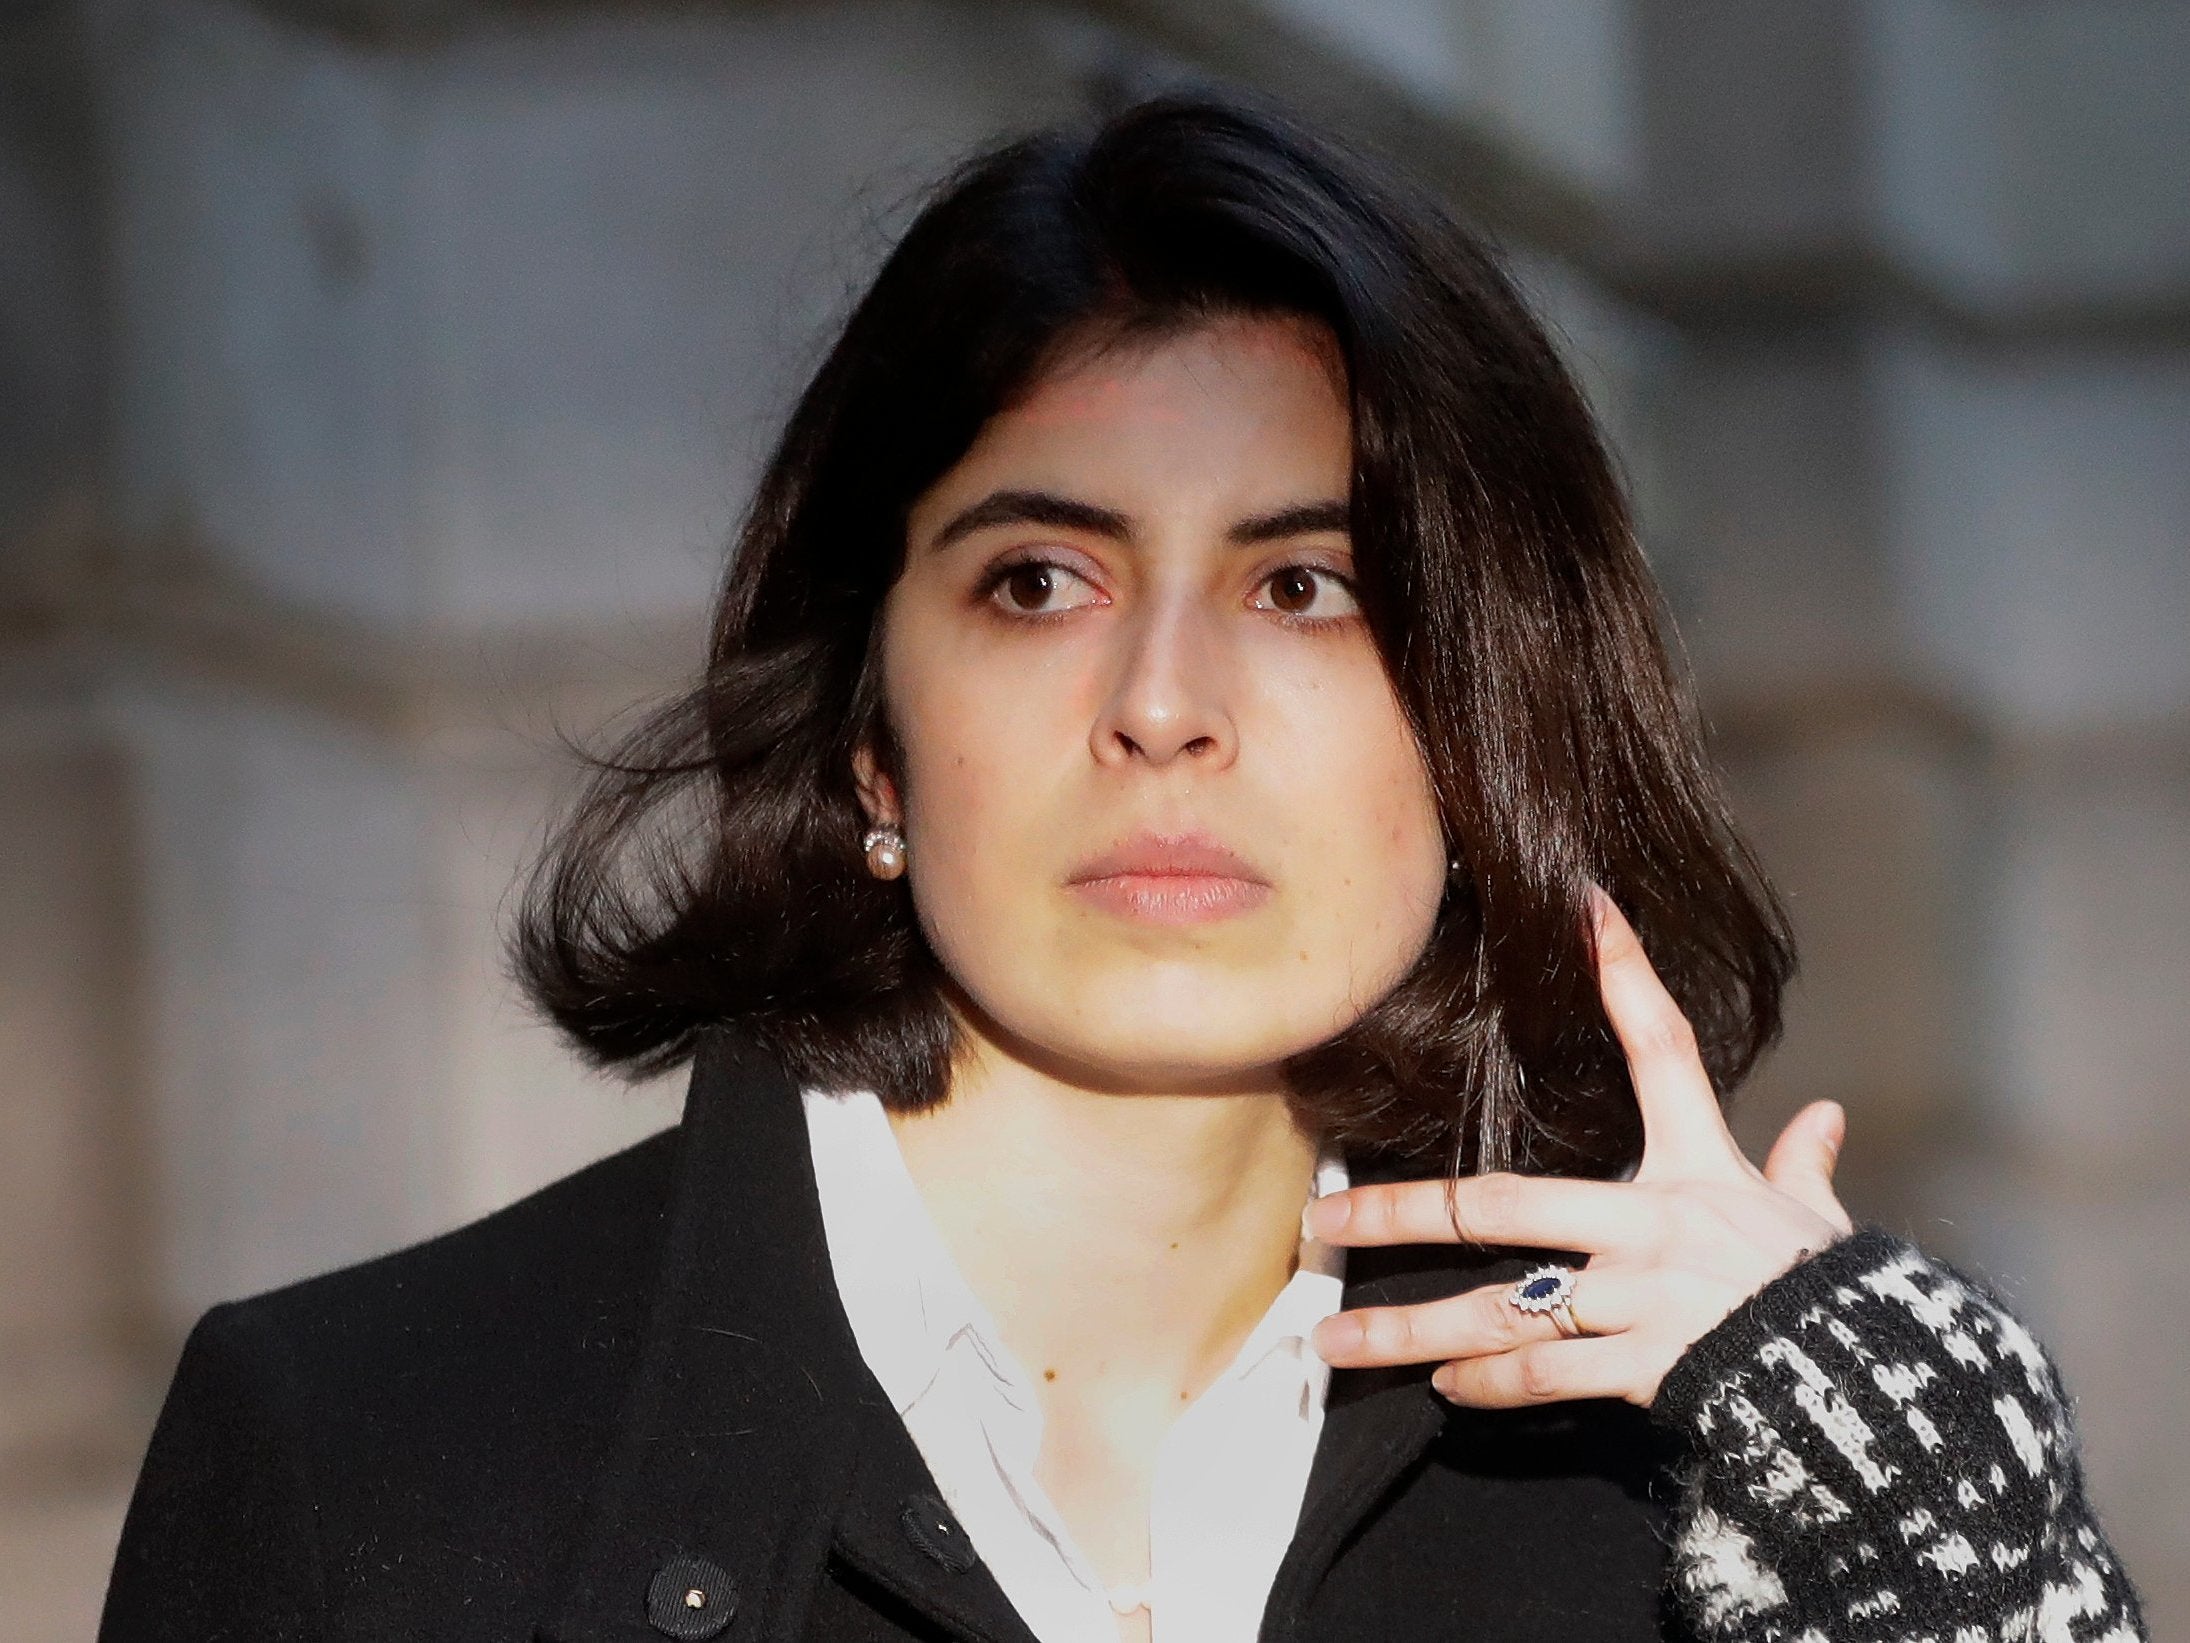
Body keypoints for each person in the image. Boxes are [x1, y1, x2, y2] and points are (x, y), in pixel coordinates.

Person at [98, 95, 2143, 1643]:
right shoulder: (361, 1446)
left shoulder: (1695, 1481)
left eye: (1310, 585)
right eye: (1040, 578)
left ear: (1481, 726)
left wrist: (1931, 1544)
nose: (1165, 704)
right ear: (873, 738)